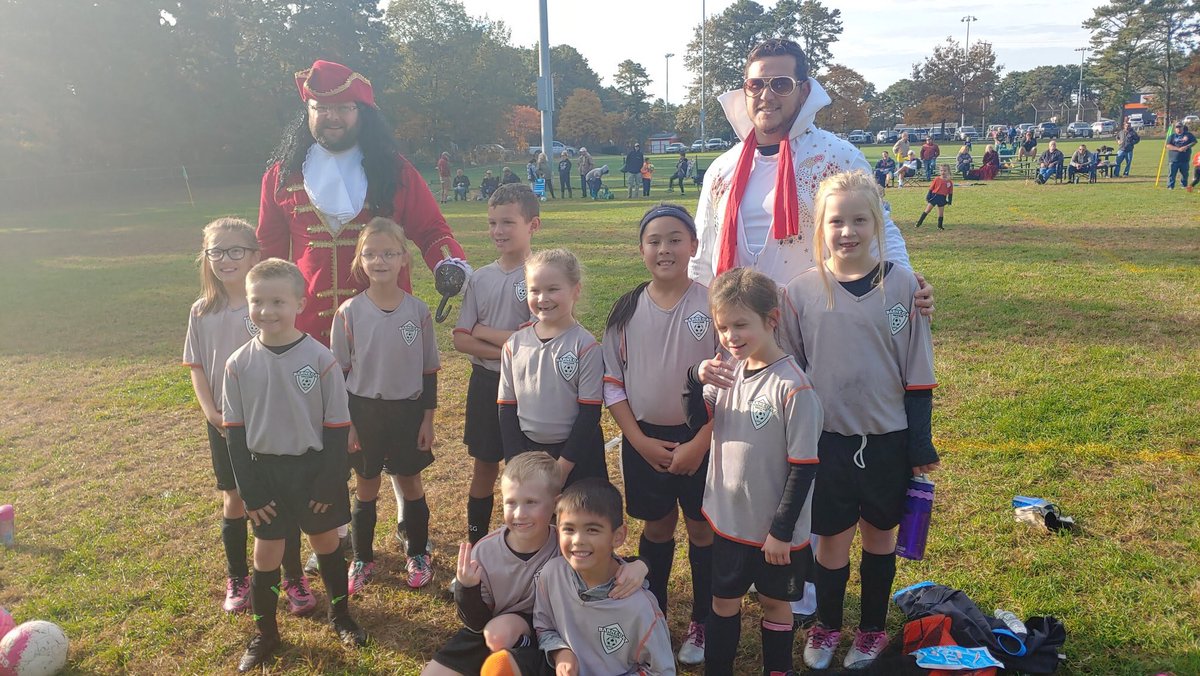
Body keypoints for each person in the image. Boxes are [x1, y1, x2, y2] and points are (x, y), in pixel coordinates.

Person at [688, 36, 932, 626]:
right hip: (743, 340)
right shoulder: (723, 167)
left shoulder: (835, 154)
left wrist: (909, 282)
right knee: (752, 458)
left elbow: (878, 225)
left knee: (805, 457)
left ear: (803, 89)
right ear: (743, 93)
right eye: (756, 84)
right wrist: (709, 338)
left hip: (810, 334)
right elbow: (703, 260)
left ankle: (804, 587)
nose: (766, 94)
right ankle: (754, 568)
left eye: (779, 83)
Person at [258, 60, 466, 565]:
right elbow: (268, 250)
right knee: (325, 435)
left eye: (341, 108)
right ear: (306, 111)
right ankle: (334, 527)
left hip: (385, 330)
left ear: (362, 112)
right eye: (320, 107)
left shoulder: (394, 171)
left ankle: (402, 514)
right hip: (304, 333)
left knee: (389, 421)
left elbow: (433, 231)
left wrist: (447, 265)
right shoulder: (281, 176)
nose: (330, 117)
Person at [779, 171, 938, 671]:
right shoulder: (800, 293)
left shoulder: (905, 285)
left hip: (888, 439)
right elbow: (792, 373)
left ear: (877, 224)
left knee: (880, 536)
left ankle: (870, 629)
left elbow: (917, 373)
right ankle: (827, 624)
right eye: (836, 221)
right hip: (827, 442)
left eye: (859, 220)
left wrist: (919, 446)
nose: (847, 231)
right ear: (819, 227)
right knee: (830, 541)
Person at [222, 259, 366, 672]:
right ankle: (265, 632)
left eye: (278, 301)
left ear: (299, 303)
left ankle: (341, 615)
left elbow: (337, 428)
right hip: (265, 475)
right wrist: (250, 491)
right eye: (258, 301)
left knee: (326, 545)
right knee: (267, 552)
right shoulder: (238, 363)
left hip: (314, 471)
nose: (267, 310)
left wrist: (328, 483)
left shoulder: (320, 360)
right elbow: (233, 434)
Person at [681, 267, 822, 676]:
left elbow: (803, 468)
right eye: (722, 327)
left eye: (741, 325)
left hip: (775, 535)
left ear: (771, 320)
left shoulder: (794, 388)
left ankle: (778, 669)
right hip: (728, 522)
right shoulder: (727, 369)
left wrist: (780, 532)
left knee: (776, 603)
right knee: (722, 601)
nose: (730, 336)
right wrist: (695, 378)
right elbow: (696, 420)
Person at [602, 204, 716, 666]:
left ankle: (704, 620)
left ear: (693, 245)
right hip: (644, 440)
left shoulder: (712, 303)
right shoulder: (626, 309)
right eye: (654, 240)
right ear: (642, 249)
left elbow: (733, 382)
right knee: (657, 524)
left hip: (701, 437)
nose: (664, 248)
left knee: (702, 527)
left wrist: (701, 442)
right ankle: (656, 614)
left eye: (675, 239)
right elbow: (612, 382)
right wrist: (637, 440)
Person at [185, 219, 315, 619]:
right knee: (235, 499)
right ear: (206, 259)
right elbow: (196, 367)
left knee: (280, 499)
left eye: (236, 250)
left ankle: (292, 577)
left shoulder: (266, 304)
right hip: (225, 424)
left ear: (256, 255)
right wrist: (212, 413)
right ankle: (238, 578)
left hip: (269, 423)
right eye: (216, 252)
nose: (226, 259)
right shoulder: (202, 310)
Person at [422, 453, 651, 676]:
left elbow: (605, 561)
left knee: (500, 634)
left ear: (555, 505)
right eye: (511, 503)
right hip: (493, 630)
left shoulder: (564, 544)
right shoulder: (484, 550)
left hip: (555, 631)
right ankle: (510, 654)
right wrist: (466, 588)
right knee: (487, 639)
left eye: (531, 502)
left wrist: (640, 564)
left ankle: (525, 655)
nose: (520, 513)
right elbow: (476, 623)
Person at [331, 218, 439, 593]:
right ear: (359, 260)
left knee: (410, 482)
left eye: (388, 253)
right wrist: (350, 424)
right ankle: (362, 557)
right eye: (370, 253)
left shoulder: (418, 311)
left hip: (408, 413)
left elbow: (428, 371)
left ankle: (418, 552)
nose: (379, 261)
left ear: (403, 259)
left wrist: (427, 418)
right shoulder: (348, 313)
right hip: (364, 411)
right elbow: (339, 375)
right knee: (366, 486)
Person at [481, 478, 673, 676]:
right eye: (569, 529)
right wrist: (560, 652)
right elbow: (544, 627)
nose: (578, 540)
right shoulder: (551, 574)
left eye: (592, 530)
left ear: (618, 536)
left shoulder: (641, 607)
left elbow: (661, 671)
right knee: (500, 666)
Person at [452, 184, 538, 548]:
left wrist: (484, 331)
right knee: (485, 466)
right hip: (486, 385)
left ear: (532, 225)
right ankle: (476, 544)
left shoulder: (542, 274)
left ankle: (530, 543)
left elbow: (540, 341)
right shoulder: (480, 278)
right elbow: (460, 338)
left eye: (507, 222)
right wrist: (509, 342)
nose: (498, 231)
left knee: (528, 472)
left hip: (530, 388)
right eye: (492, 223)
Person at [498, 248, 607, 487]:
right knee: (538, 521)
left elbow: (589, 414)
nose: (542, 298)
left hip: (578, 456)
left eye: (553, 289)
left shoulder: (586, 346)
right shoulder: (514, 345)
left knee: (576, 521)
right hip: (530, 453)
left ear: (575, 290)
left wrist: (562, 468)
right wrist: (516, 463)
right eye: (534, 290)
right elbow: (507, 410)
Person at [917, 164, 954, 230]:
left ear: (948, 171)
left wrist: (950, 200)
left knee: (941, 213)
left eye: (945, 171)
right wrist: (928, 195)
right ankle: (919, 223)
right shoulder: (937, 179)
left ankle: (940, 226)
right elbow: (931, 188)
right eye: (941, 170)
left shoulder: (949, 182)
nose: (943, 172)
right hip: (935, 196)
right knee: (927, 210)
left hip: (942, 198)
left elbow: (950, 192)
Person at [1166, 122, 1196, 189]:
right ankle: (1170, 186)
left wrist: (1187, 147)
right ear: (1175, 129)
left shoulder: (1188, 135)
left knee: (1185, 174)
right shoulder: (1172, 136)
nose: (1178, 128)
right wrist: (1178, 149)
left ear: (1183, 127)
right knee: (1171, 174)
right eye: (1177, 127)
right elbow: (1168, 145)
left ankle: (1184, 185)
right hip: (1173, 159)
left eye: (1180, 127)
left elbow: (1194, 142)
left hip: (1185, 159)